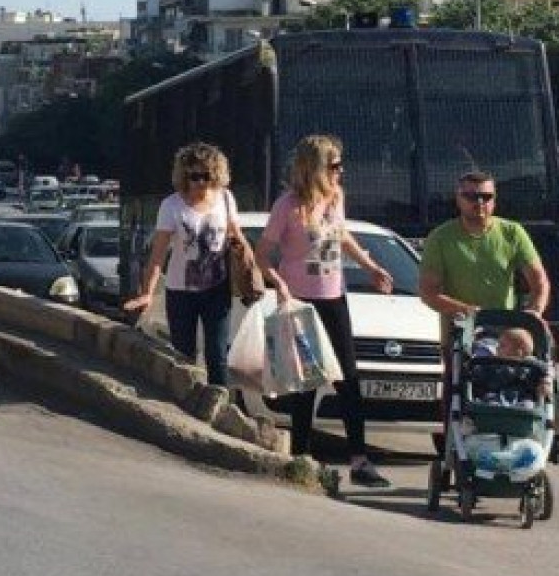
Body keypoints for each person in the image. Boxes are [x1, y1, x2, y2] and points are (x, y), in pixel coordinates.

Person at [255, 135, 395, 488]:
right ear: (314, 168)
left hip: (334, 297)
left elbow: (342, 236)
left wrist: (370, 265)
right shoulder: (287, 206)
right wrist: (279, 285)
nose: (340, 171)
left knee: (348, 379)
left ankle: (360, 459)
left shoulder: (335, 199)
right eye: (334, 166)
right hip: (301, 300)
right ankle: (301, 457)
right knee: (305, 383)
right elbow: (262, 255)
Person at [121, 142, 243, 387]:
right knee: (183, 355)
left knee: (217, 354)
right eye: (193, 176)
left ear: (216, 175)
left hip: (217, 288)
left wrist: (247, 267)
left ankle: (220, 409)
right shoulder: (171, 206)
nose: (199, 182)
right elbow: (157, 255)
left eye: (205, 176)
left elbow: (237, 238)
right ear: (184, 176)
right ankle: (185, 404)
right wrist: (147, 293)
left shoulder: (226, 200)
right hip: (181, 291)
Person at [419, 171, 550, 332]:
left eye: (486, 197)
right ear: (458, 199)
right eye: (471, 197)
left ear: (494, 200)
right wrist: (469, 312)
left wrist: (534, 311)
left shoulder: (513, 233)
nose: (480, 202)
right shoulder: (440, 238)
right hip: (459, 333)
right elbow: (428, 292)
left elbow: (539, 282)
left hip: (505, 335)